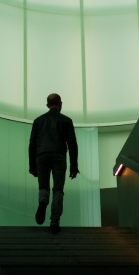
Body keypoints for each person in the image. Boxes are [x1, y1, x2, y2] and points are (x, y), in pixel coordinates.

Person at [28, 93, 79, 231]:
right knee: (58, 189)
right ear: (60, 104)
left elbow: (32, 144)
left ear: (47, 105)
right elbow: (72, 144)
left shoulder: (38, 121)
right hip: (59, 156)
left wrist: (32, 166)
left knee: (43, 186)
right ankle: (54, 221)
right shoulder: (66, 121)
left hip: (41, 156)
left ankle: (43, 201)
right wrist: (74, 167)